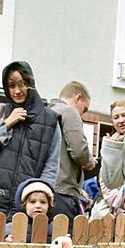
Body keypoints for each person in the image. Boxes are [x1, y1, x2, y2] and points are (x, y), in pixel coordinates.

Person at [0, 60, 62, 222]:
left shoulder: (50, 120)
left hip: (25, 207)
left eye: (22, 84)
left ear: (30, 84)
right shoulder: (0, 111)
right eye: (11, 86)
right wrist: (6, 124)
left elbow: (52, 165)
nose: (17, 91)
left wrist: (39, 198)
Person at [48, 81, 98, 219]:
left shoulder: (46, 112)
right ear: (78, 98)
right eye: (85, 109)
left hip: (44, 190)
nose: (83, 115)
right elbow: (79, 151)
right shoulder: (69, 111)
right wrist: (90, 162)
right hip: (63, 192)